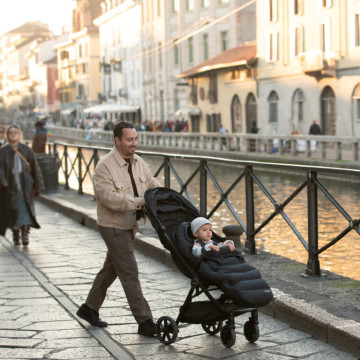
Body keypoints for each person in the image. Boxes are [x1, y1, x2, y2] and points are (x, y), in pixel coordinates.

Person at [76, 121, 161, 336]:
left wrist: (164, 195)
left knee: (111, 268)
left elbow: (151, 184)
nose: (134, 143)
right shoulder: (104, 166)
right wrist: (140, 202)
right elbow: (109, 199)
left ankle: (89, 308)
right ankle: (145, 321)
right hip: (113, 226)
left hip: (131, 224)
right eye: (129, 139)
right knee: (129, 272)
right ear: (117, 140)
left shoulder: (138, 161)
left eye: (136, 139)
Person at [0, 125, 45, 246]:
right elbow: (1, 168)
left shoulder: (26, 149)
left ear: (19, 134)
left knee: (25, 209)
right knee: (13, 209)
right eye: (10, 133)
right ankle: (16, 233)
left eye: (15, 132)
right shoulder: (3, 151)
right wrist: (3, 181)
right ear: (7, 135)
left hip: (26, 184)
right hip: (10, 184)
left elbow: (35, 167)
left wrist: (38, 184)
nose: (13, 135)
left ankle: (25, 234)